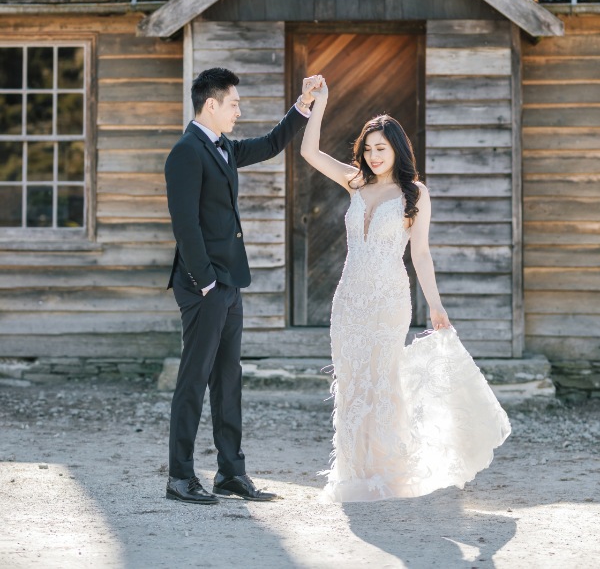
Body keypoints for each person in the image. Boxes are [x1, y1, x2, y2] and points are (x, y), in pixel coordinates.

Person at [301, 75, 511, 502]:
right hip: (348, 299)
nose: (374, 156)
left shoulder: (414, 193)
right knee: (352, 383)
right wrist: (319, 102)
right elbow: (308, 151)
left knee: (382, 382)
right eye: (368, 149)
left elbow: (421, 255)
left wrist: (435, 305)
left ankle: (387, 473)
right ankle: (353, 472)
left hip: (388, 300)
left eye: (382, 148)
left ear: (396, 149)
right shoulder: (355, 182)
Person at [164, 67, 318, 505]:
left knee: (229, 378)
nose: (238, 110)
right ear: (210, 105)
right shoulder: (185, 152)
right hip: (203, 284)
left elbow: (270, 144)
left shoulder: (224, 147)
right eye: (233, 103)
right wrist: (206, 280)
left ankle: (231, 473)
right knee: (194, 379)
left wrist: (301, 106)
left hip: (229, 282)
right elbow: (185, 225)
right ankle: (179, 478)